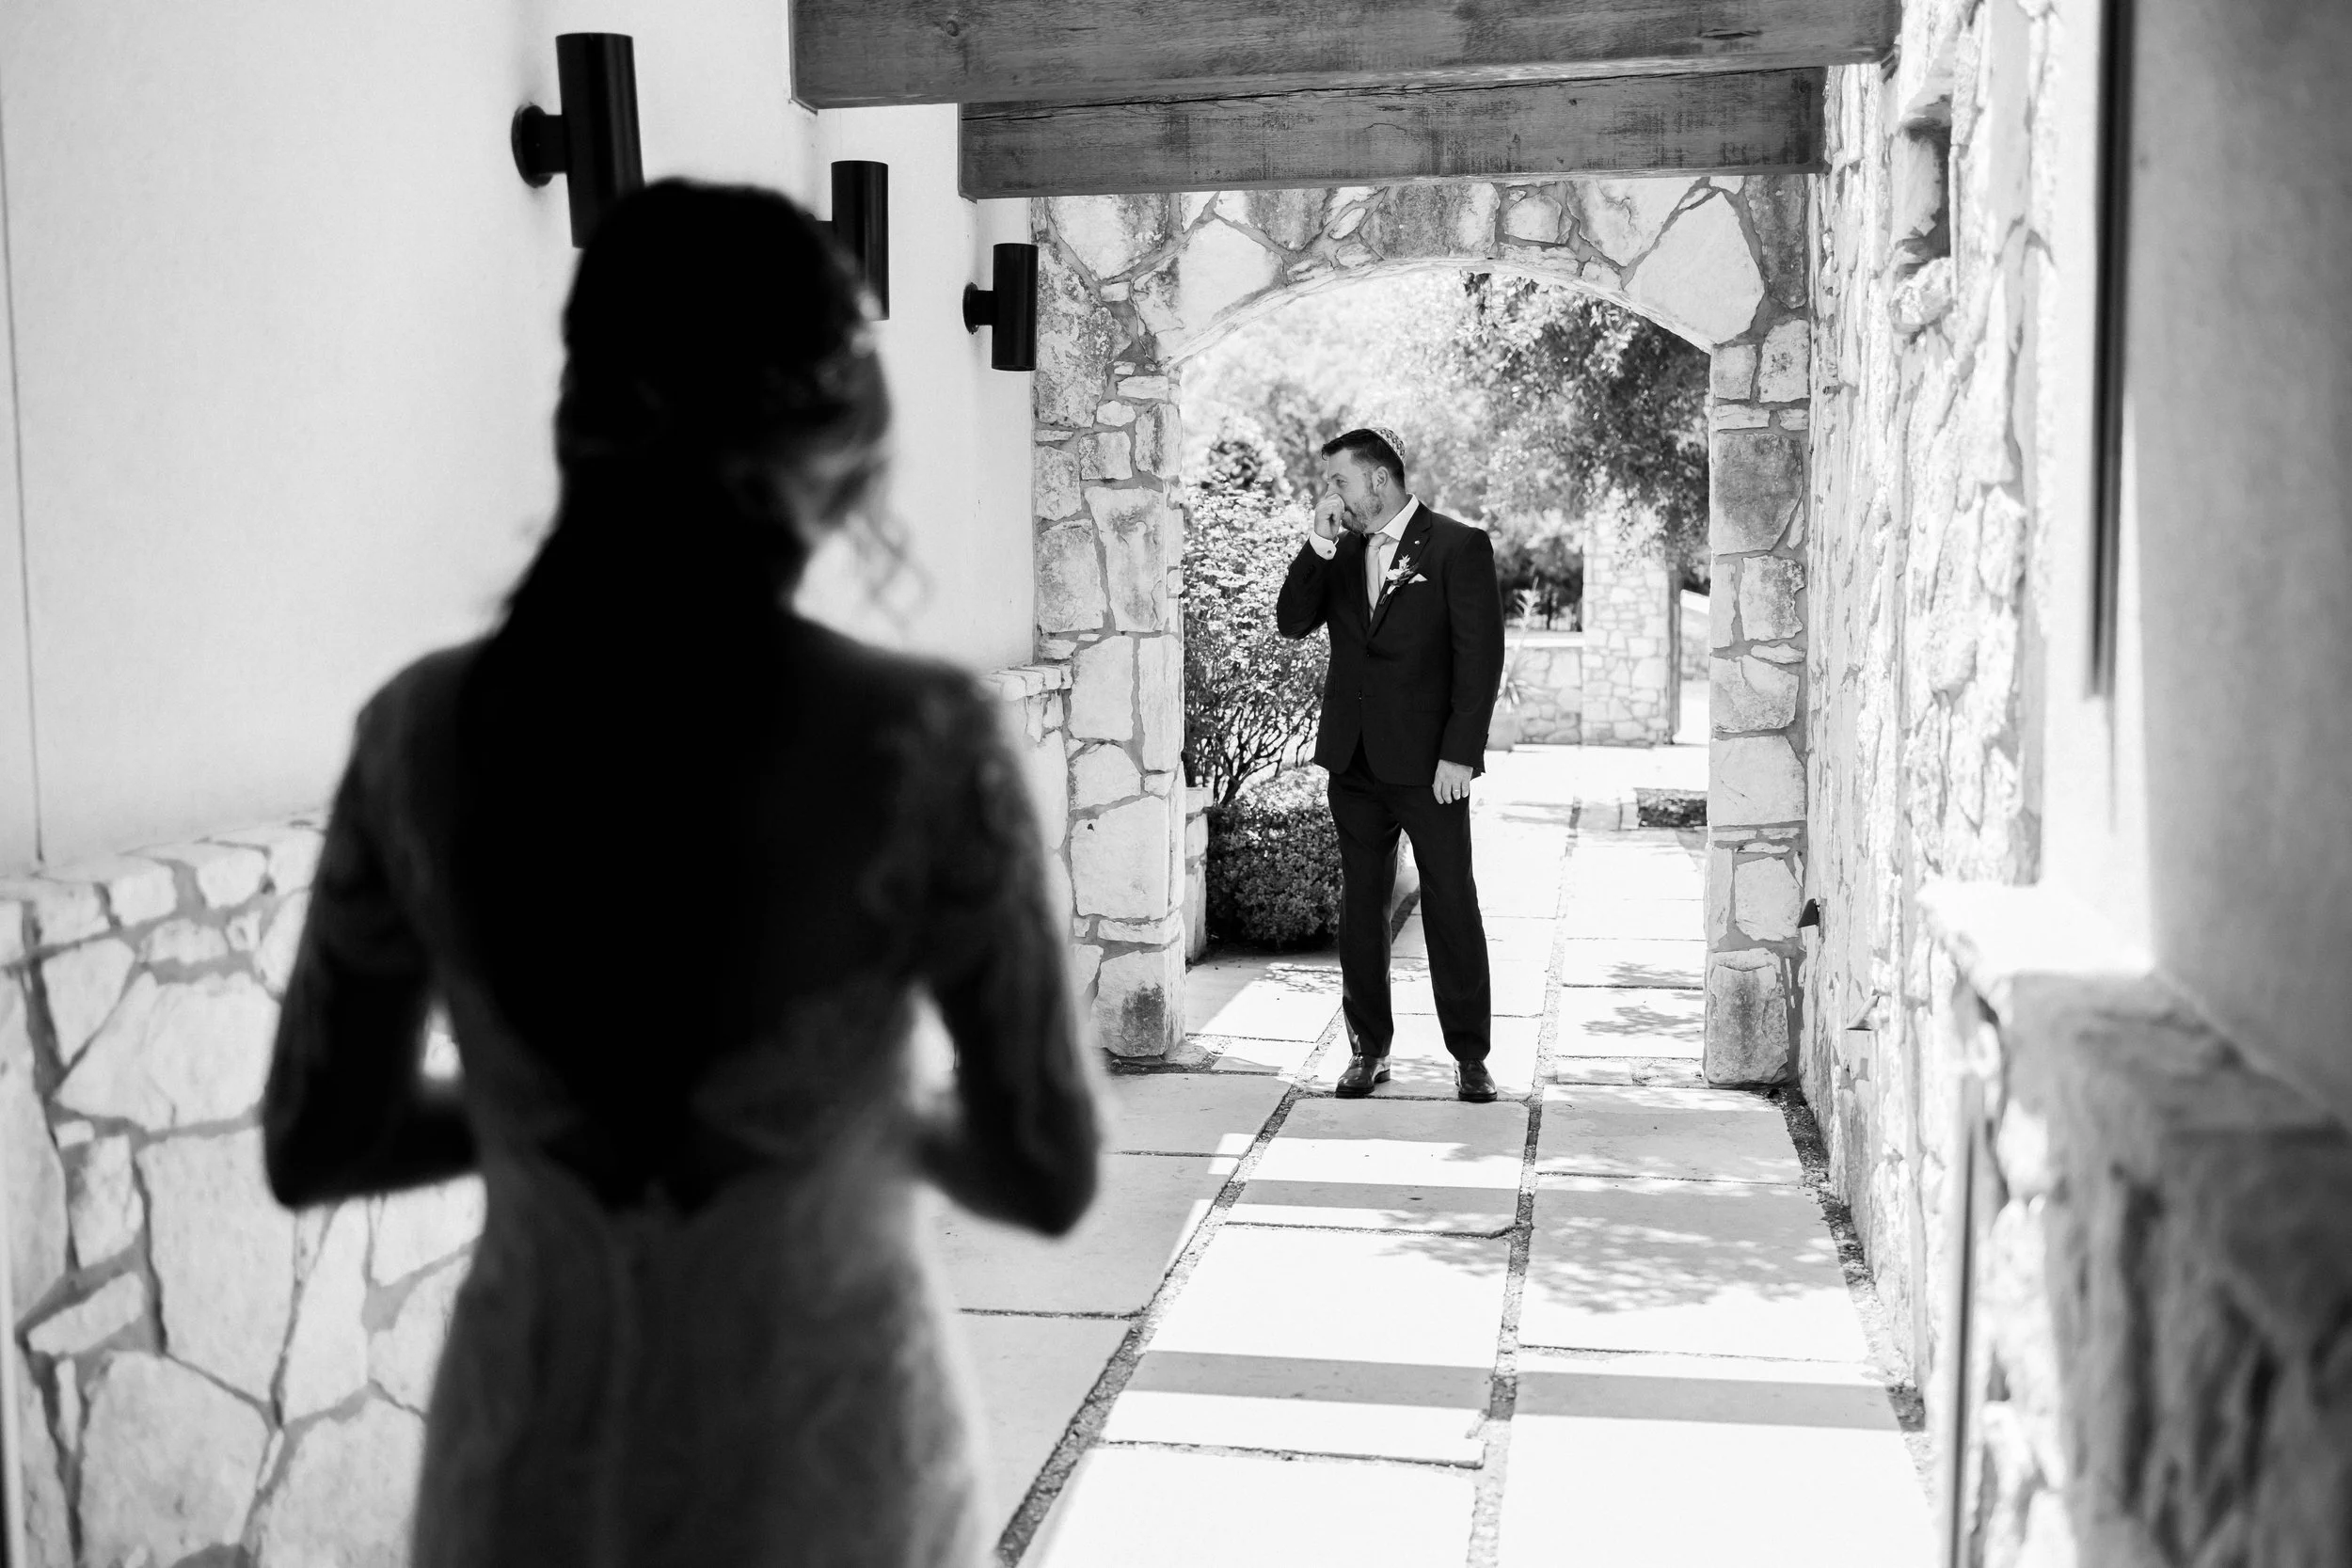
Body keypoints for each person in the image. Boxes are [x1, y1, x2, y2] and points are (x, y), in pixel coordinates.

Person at [260, 179, 1100, 1568]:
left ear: (579, 414)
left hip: (531, 1473)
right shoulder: (923, 741)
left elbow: (318, 1140)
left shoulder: (416, 737)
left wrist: (542, 1114)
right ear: (831, 432)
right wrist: (861, 1118)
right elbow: (1047, 1170)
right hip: (823, 1471)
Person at [1275, 426, 1506, 1101]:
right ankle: (1367, 1048)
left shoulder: (1459, 546)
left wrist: (1460, 753)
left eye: (1339, 481)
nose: (1331, 494)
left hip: (1433, 769)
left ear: (1378, 479)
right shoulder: (1340, 552)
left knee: (1450, 904)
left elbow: (1479, 659)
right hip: (1354, 762)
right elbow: (1292, 621)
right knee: (1361, 908)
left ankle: (1470, 1056)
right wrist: (1317, 544)